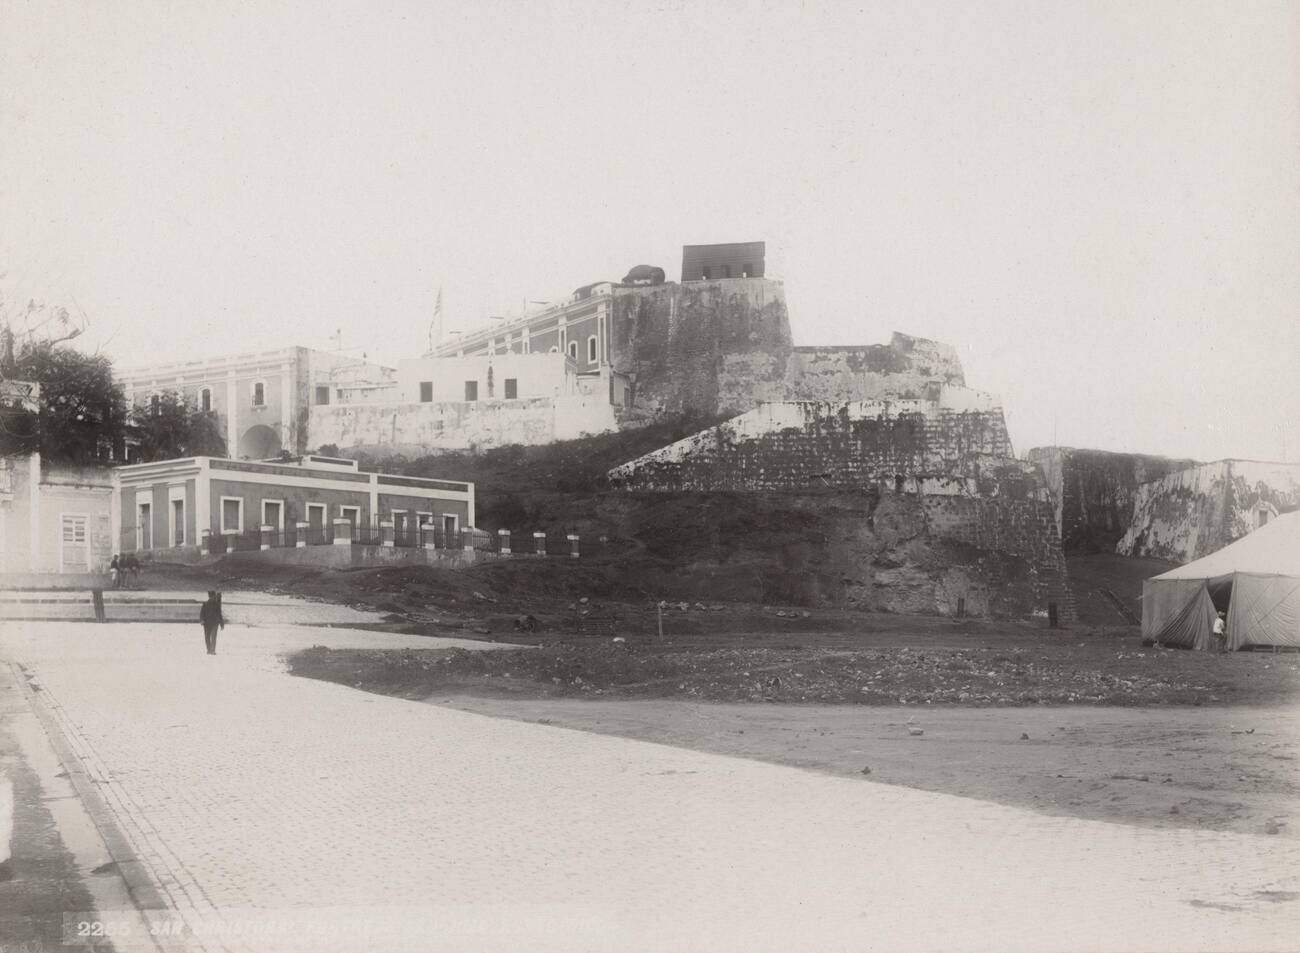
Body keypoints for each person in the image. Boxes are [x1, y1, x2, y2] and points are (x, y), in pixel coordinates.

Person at [200, 591, 225, 655]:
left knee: (213, 637)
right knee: (207, 637)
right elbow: (202, 614)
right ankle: (209, 649)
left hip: (214, 623)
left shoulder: (216, 605)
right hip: (207, 623)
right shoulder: (205, 604)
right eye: (212, 597)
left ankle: (212, 650)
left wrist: (222, 624)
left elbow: (219, 614)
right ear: (210, 597)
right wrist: (202, 620)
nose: (213, 598)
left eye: (213, 597)